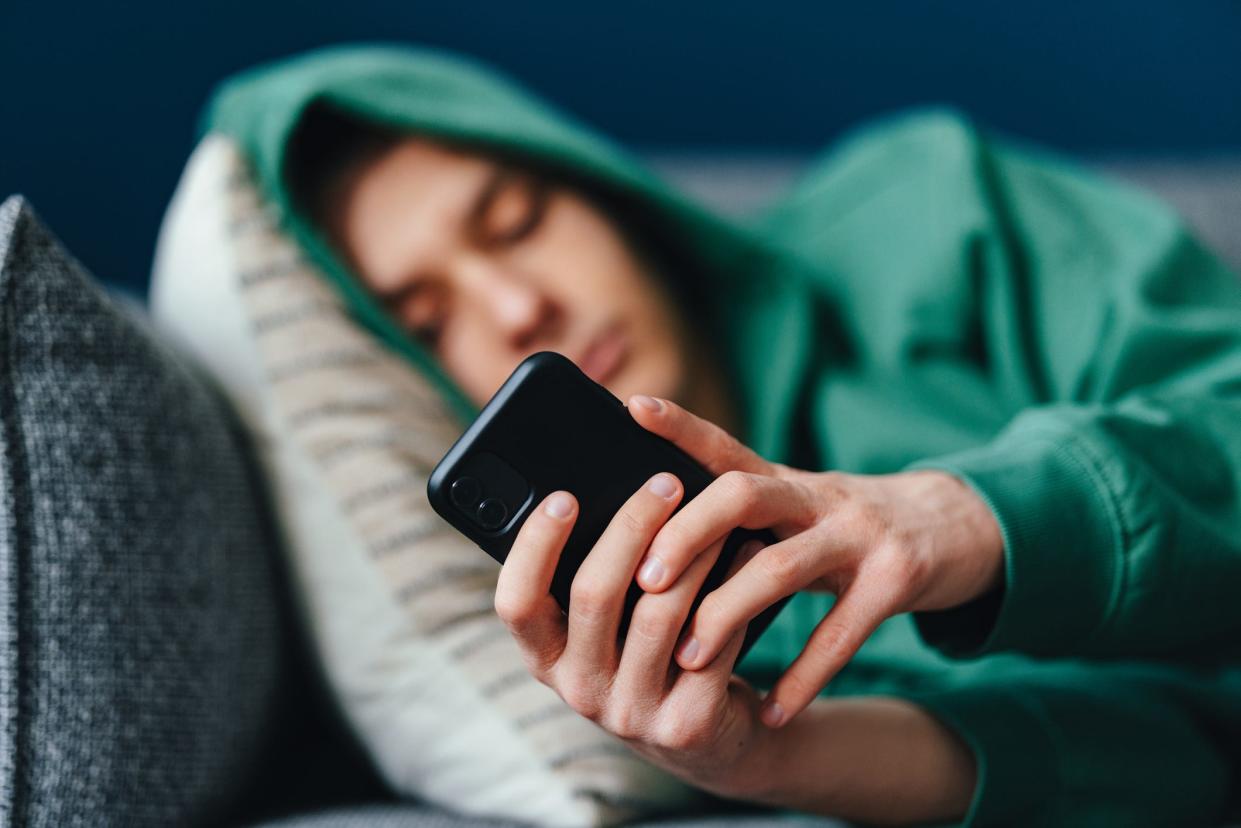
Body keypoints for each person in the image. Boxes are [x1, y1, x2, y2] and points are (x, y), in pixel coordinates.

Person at [206, 45, 1241, 826]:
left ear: (598, 189)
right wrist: (768, 763)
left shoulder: (934, 207)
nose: (516, 307)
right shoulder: (648, 625)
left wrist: (959, 517)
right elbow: (1178, 763)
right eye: (430, 322)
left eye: (517, 218)